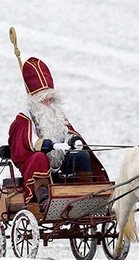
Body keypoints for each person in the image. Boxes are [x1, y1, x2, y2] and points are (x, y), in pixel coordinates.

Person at [8, 57, 108, 204]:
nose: (48, 103)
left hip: (60, 162)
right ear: (34, 101)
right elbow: (24, 141)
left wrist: (72, 139)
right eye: (44, 100)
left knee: (82, 156)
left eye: (51, 99)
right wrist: (40, 144)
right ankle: (43, 196)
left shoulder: (56, 114)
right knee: (39, 158)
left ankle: (85, 195)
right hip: (38, 163)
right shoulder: (24, 118)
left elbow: (66, 131)